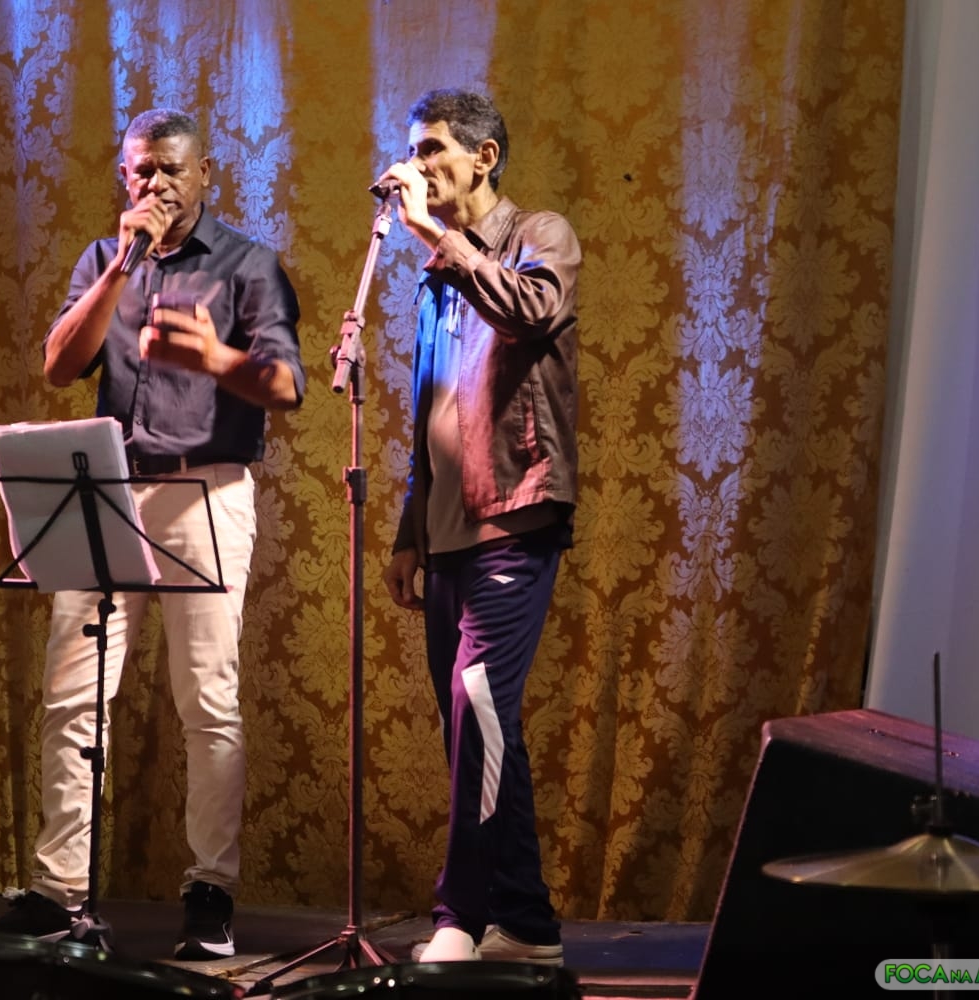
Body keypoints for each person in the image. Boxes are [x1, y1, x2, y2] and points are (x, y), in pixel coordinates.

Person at [0, 108, 304, 959]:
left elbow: (287, 385)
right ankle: (59, 892)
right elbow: (60, 364)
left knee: (208, 700)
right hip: (108, 488)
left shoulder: (248, 264)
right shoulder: (105, 259)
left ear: (206, 175)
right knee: (71, 694)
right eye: (139, 171)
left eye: (169, 169)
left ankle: (210, 892)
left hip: (206, 487)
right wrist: (123, 264)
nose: (154, 184)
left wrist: (216, 360)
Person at [378, 89, 580, 965]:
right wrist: (409, 531)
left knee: (477, 709)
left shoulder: (541, 235)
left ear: (484, 157)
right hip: (448, 531)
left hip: (516, 516)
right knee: (478, 728)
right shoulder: (437, 275)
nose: (417, 166)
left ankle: (457, 916)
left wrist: (441, 240)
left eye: (432, 150)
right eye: (414, 151)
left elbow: (533, 311)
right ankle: (526, 923)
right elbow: (432, 409)